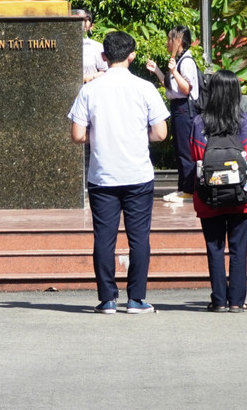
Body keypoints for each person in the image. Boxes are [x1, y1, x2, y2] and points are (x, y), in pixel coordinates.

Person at [68, 30, 170, 315]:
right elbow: (161, 133)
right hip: (137, 174)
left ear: (103, 57)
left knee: (104, 237)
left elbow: (77, 135)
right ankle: (136, 299)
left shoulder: (89, 89)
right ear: (132, 55)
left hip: (103, 175)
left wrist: (101, 135)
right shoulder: (145, 88)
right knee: (139, 238)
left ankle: (108, 300)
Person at [189, 69, 247, 312]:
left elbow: (197, 155)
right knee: (239, 249)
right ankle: (237, 301)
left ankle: (218, 300)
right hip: (240, 194)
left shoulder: (200, 122)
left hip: (209, 195)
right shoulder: (245, 121)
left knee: (215, 247)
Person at [145, 25, 199, 202]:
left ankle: (189, 190)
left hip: (185, 108)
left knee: (185, 150)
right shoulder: (179, 59)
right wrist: (158, 71)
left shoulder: (187, 61)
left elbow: (185, 89)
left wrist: (174, 71)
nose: (168, 42)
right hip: (178, 107)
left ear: (179, 41)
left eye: (170, 39)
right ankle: (183, 188)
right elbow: (170, 86)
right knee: (180, 149)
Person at [75, 8, 108, 83]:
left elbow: (105, 71)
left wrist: (90, 78)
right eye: (78, 20)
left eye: (85, 20)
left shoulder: (97, 47)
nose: (82, 23)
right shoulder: (64, 45)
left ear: (91, 26)